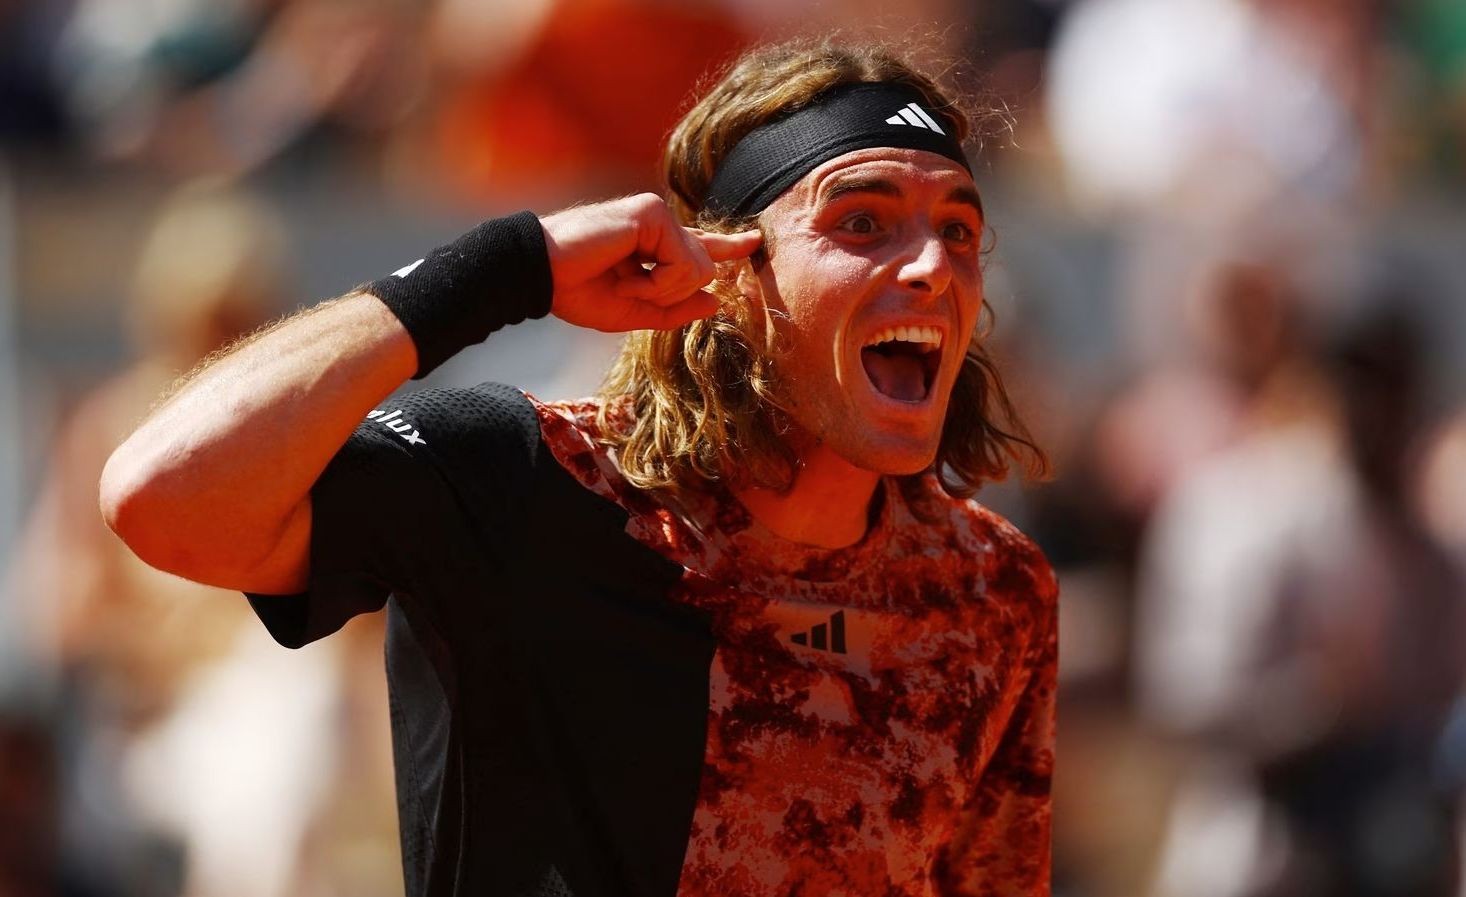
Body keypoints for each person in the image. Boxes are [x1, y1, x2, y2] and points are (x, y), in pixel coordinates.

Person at [100, 38, 1058, 897]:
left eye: (957, 230)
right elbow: (161, 496)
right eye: (862, 222)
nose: (933, 266)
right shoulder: (527, 479)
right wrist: (502, 268)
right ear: (732, 273)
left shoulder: (993, 593)